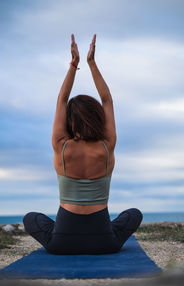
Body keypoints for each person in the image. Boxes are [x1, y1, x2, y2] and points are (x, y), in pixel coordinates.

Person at [23, 34, 143, 254]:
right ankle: (101, 236)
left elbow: (61, 99)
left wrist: (73, 64)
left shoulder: (61, 145)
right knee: (134, 214)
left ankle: (62, 238)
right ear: (97, 117)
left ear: (70, 121)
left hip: (61, 243)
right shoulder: (107, 145)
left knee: (30, 218)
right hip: (105, 243)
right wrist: (92, 63)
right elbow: (107, 99)